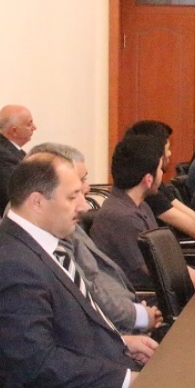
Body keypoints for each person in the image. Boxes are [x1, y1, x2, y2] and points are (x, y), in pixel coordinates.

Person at [0, 153, 157, 388]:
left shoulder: (36, 246)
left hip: (88, 381)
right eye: (72, 197)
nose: (84, 206)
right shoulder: (11, 266)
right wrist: (124, 379)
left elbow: (65, 325)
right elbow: (36, 363)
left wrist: (121, 341)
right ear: (37, 202)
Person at [30, 143, 163, 334]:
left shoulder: (63, 222)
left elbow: (99, 279)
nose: (86, 189)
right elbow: (88, 292)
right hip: (109, 329)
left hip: (122, 314)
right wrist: (138, 316)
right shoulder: (48, 228)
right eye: (79, 184)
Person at [90, 135, 195, 291]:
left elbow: (167, 264)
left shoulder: (140, 206)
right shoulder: (122, 217)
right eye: (160, 169)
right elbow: (163, 271)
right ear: (148, 179)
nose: (162, 174)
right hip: (147, 298)